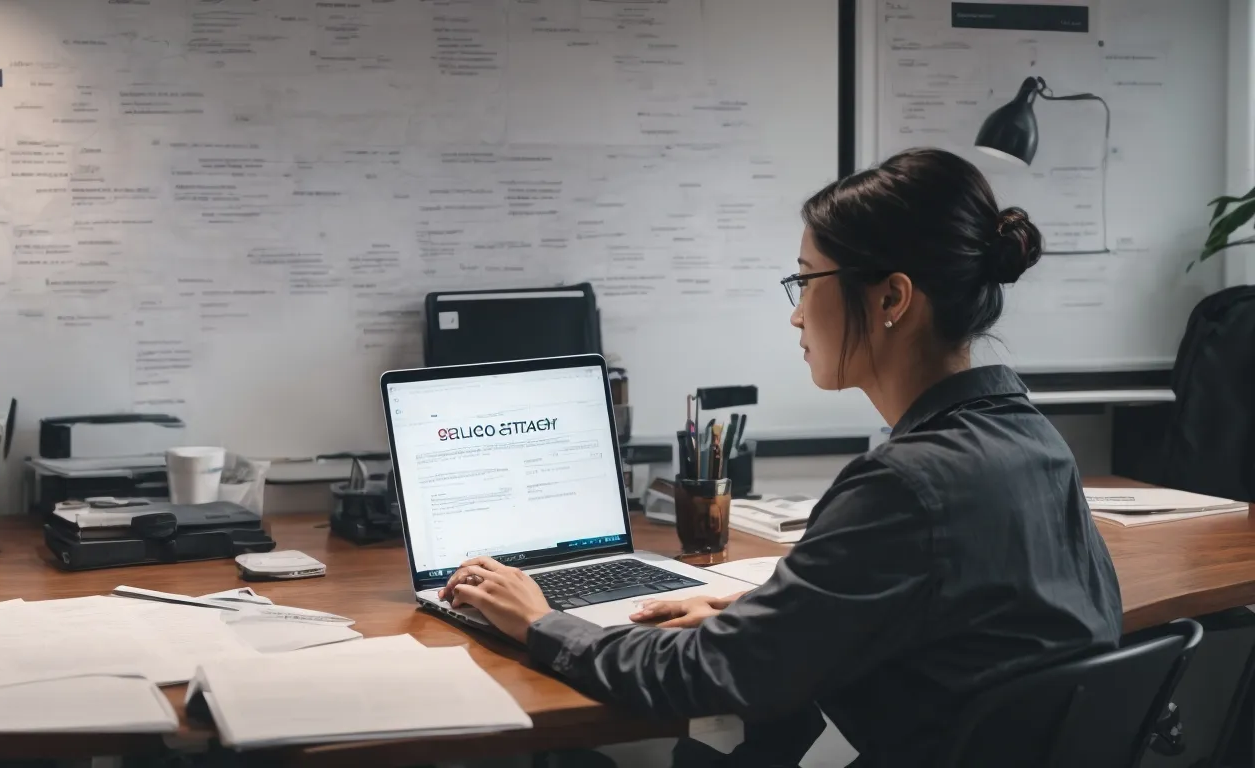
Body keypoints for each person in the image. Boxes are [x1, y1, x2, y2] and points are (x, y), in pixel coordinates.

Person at [440, 148, 1122, 766]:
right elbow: (957, 614)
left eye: (806, 282)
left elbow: (698, 676)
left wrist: (540, 622)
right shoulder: (1033, 440)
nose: (796, 315)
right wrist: (781, 620)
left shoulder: (905, 486)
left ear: (892, 297)